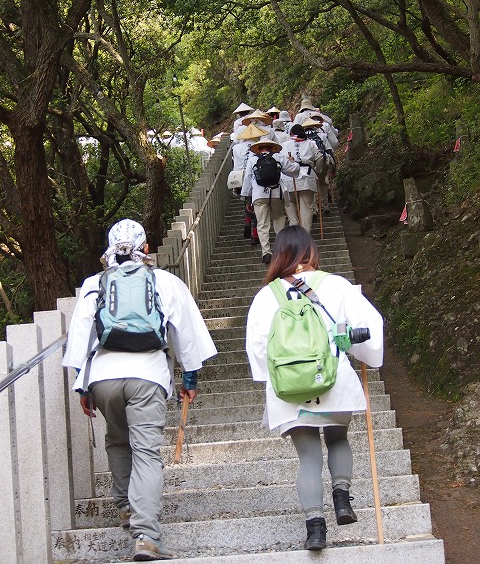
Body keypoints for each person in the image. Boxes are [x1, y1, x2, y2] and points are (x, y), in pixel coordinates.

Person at [62, 219, 217, 561]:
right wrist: (190, 380)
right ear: (146, 248)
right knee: (146, 452)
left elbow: (79, 343)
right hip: (147, 374)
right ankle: (146, 535)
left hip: (103, 376)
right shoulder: (165, 281)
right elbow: (187, 334)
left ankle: (124, 508)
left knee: (117, 440)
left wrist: (83, 387)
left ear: (110, 249)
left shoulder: (94, 284)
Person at [245, 226, 383, 550]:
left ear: (279, 255)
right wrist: (363, 352)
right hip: (333, 381)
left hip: (289, 389)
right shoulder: (336, 285)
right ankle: (342, 498)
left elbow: (257, 348)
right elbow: (369, 328)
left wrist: (278, 379)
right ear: (310, 251)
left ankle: (315, 529)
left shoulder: (266, 295)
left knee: (308, 457)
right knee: (338, 438)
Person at [240, 137, 299, 265]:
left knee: (262, 224)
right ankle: (280, 249)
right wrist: (293, 162)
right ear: (272, 147)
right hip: (276, 193)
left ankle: (266, 252)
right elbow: (294, 170)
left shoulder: (252, 160)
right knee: (279, 219)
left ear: (258, 149)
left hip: (258, 195)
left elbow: (248, 180)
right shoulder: (278, 157)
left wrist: (246, 197)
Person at [280, 124, 323, 233]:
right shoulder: (311, 143)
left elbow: (280, 161)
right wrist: (317, 170)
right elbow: (320, 157)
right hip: (307, 177)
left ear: (291, 134)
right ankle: (305, 233)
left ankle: (294, 226)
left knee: (290, 204)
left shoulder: (284, 145)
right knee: (306, 207)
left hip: (288, 177)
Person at [231, 123, 269, 245]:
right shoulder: (256, 147)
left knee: (247, 200)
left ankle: (247, 218)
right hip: (253, 177)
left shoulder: (235, 148)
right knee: (256, 204)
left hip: (238, 177)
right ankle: (255, 234)